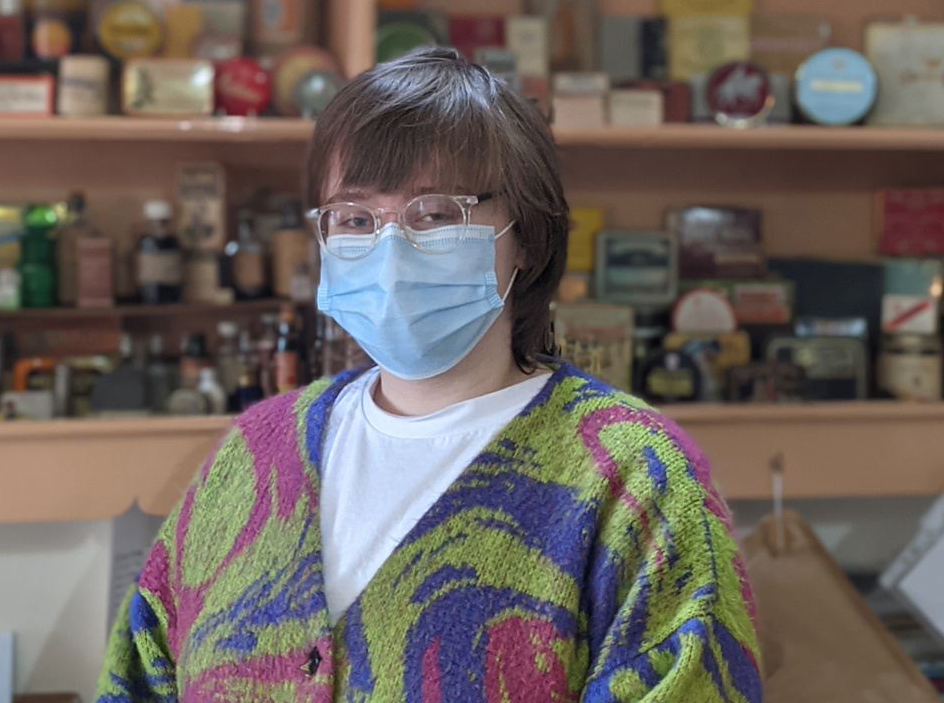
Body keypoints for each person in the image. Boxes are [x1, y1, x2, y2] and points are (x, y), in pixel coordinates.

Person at [96, 47, 762, 702]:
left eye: (437, 213)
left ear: (526, 234)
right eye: (355, 218)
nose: (389, 248)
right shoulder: (253, 458)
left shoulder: (635, 479)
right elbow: (139, 677)